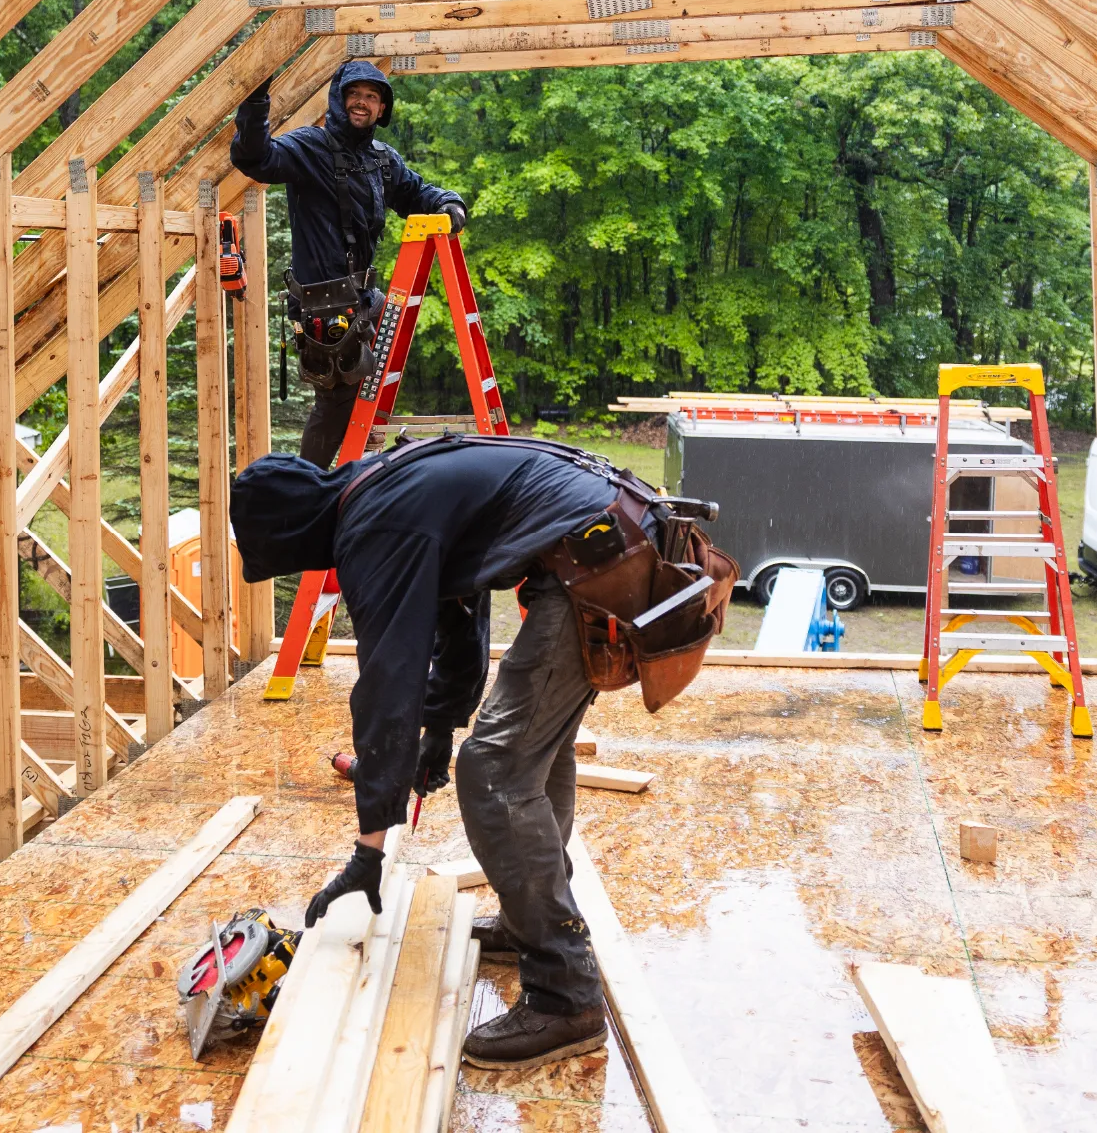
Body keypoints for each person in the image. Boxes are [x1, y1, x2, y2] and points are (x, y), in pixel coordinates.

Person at [229, 434, 734, 1070]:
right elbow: (459, 616)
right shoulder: (383, 488)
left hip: (602, 567)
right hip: (612, 550)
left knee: (494, 767)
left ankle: (564, 995)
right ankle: (534, 917)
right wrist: (439, 727)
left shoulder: (373, 526)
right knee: (532, 751)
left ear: (292, 533)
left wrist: (370, 845)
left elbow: (390, 681)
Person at [230, 60, 467, 467]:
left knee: (373, 369)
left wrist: (447, 204)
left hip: (362, 299)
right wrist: (255, 102)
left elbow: (415, 192)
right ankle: (306, 489)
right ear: (340, 101)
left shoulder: (380, 160)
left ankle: (356, 463)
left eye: (372, 97)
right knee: (335, 400)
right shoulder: (309, 148)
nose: (362, 103)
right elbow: (256, 158)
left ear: (381, 109)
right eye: (354, 94)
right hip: (324, 307)